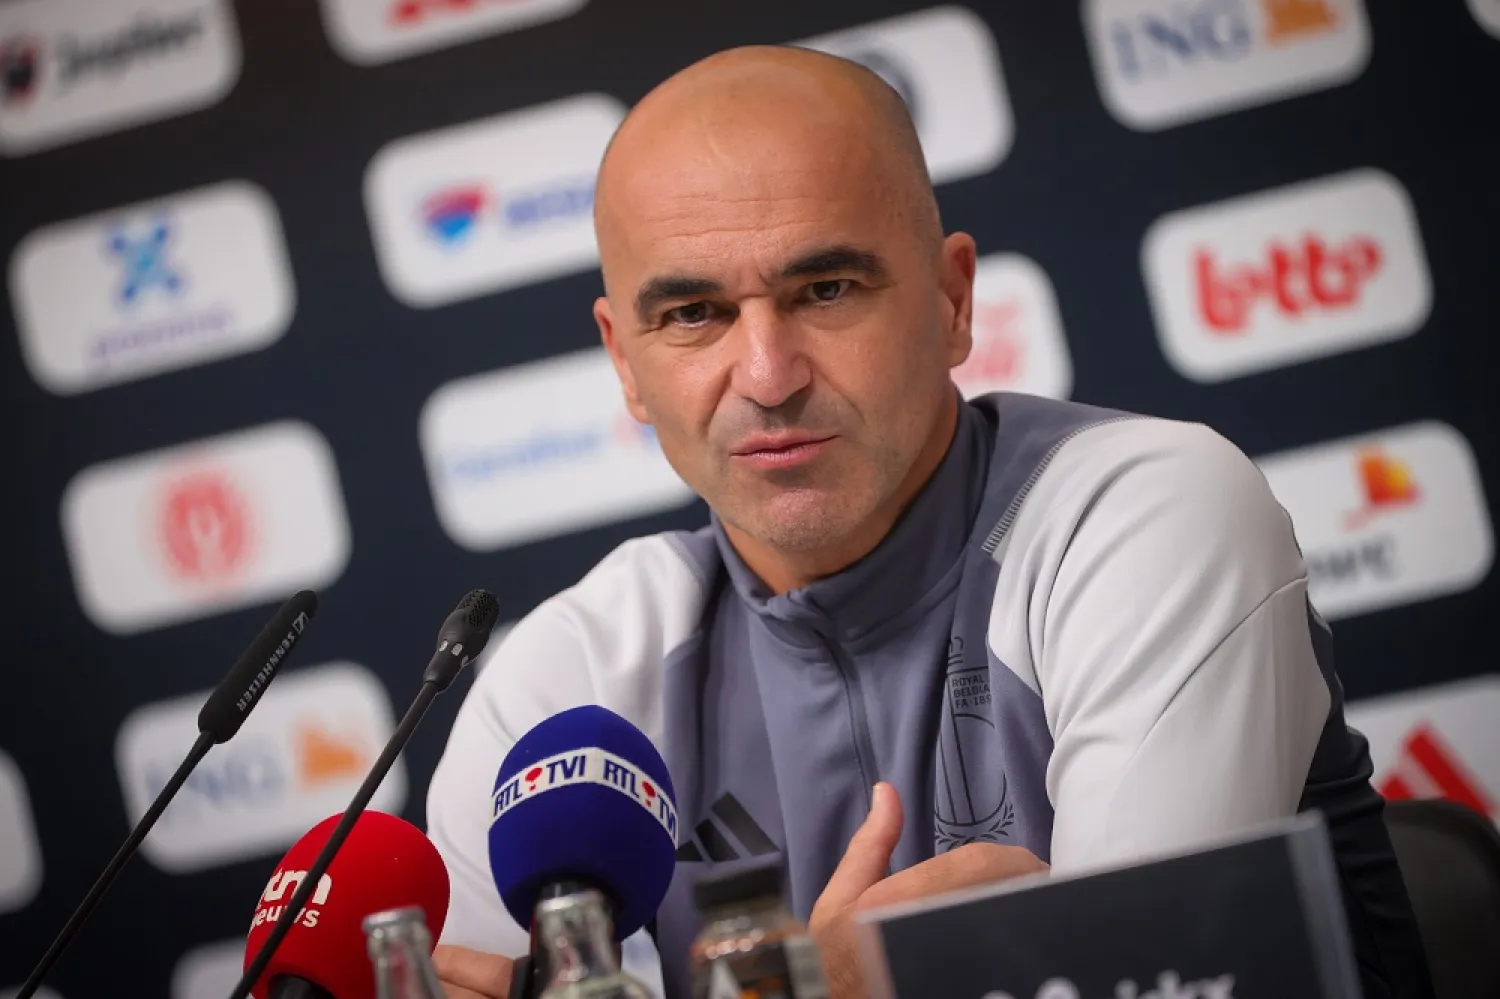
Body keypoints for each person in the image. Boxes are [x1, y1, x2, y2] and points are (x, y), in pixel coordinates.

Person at [423, 45, 1432, 999]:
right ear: (625, 360)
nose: (767, 376)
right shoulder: (563, 689)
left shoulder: (1141, 516)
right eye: (693, 314)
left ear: (953, 301)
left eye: (826, 290)